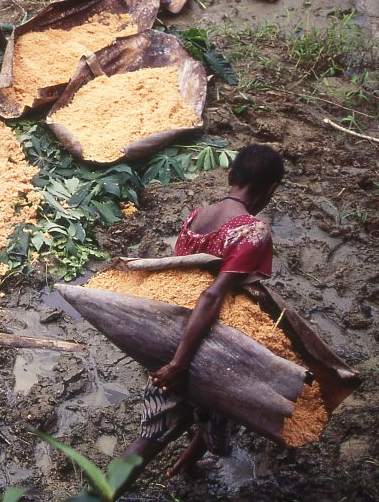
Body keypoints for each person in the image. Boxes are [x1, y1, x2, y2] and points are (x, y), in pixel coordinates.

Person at [120, 144, 285, 488]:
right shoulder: (252, 232)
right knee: (211, 409)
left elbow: (182, 280)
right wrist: (181, 362)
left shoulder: (196, 217)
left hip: (171, 333)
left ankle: (190, 462)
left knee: (153, 432)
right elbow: (212, 294)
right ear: (270, 189)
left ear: (230, 175)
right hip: (206, 349)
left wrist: (174, 356)